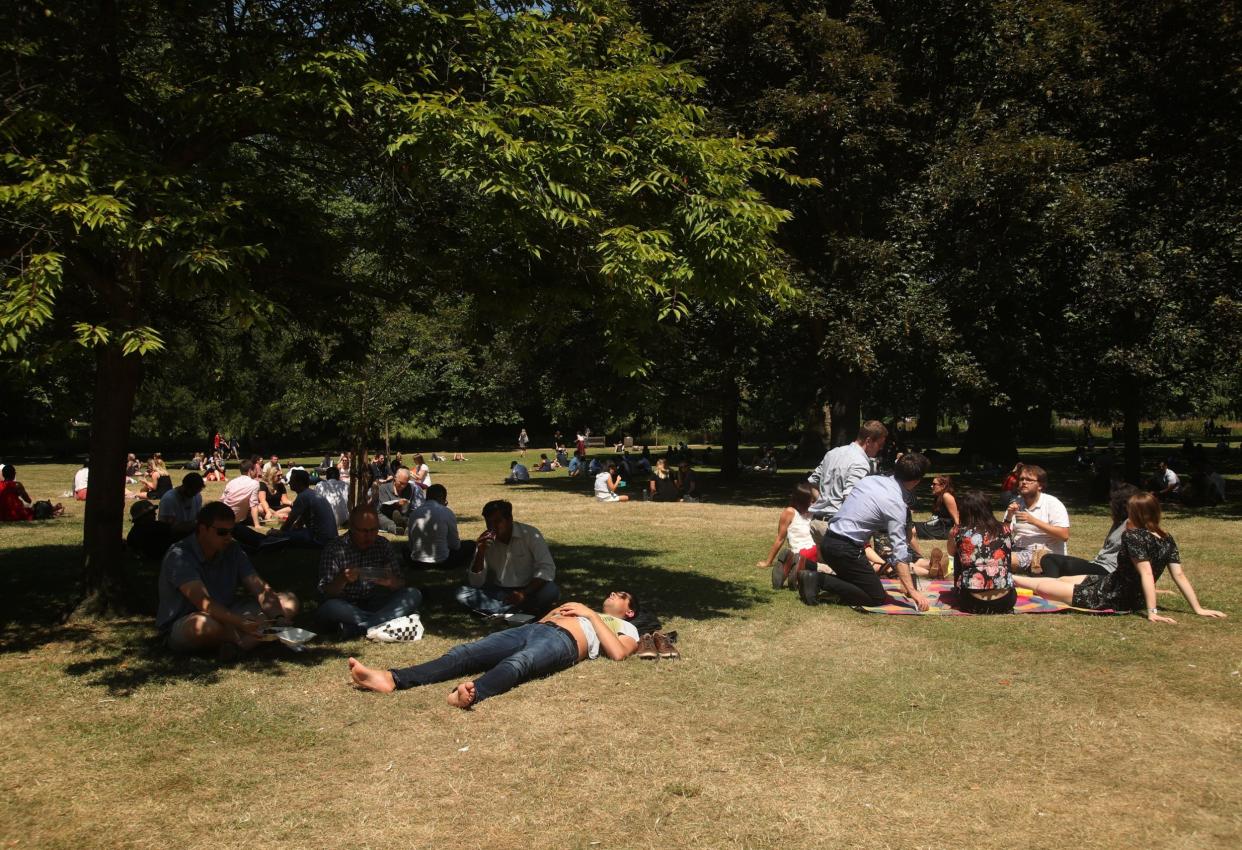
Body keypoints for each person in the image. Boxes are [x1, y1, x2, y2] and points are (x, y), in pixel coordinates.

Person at [348, 590, 639, 708]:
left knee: (520, 663)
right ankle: (392, 678)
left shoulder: (627, 628)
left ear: (629, 612)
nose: (614, 593)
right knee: (465, 652)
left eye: (622, 595)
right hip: (533, 628)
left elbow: (619, 653)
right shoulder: (581, 608)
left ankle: (470, 694)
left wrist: (588, 614)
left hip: (564, 642)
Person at [1015, 492, 1227, 624]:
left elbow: (1146, 573)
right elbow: (1179, 575)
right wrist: (1197, 608)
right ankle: (1008, 578)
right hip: (1113, 586)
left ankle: (1007, 578)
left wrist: (1152, 612)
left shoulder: (1133, 536)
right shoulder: (1166, 538)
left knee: (1043, 586)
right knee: (1060, 581)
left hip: (1110, 596)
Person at [155, 501, 300, 655]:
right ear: (203, 529)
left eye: (232, 531)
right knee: (204, 625)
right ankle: (248, 641)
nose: (228, 537)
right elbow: (204, 603)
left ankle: (240, 644)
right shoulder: (180, 555)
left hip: (229, 613)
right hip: (190, 619)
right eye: (222, 532)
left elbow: (259, 587)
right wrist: (241, 622)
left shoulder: (232, 549)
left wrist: (278, 617)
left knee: (289, 601)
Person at [799, 453, 933, 611]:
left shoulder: (870, 480)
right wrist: (912, 591)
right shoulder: (896, 504)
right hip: (846, 550)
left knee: (859, 582)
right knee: (875, 597)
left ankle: (811, 573)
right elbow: (899, 551)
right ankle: (817, 579)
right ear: (917, 480)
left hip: (828, 541)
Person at [316, 505, 423, 640]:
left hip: (377, 602)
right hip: (347, 605)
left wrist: (391, 582)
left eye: (374, 530)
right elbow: (325, 592)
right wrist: (342, 579)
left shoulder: (382, 544)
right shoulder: (335, 549)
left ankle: (359, 628)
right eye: (363, 531)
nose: (369, 536)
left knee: (413, 594)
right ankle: (385, 621)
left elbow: (400, 584)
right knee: (331, 608)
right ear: (351, 527)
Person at [456, 499, 560, 617]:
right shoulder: (485, 541)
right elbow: (476, 582)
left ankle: (503, 610)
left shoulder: (530, 534)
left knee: (551, 590)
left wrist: (523, 593)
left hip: (530, 588)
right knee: (462, 593)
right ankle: (518, 611)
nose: (492, 527)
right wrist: (480, 552)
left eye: (497, 522)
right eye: (488, 523)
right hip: (501, 591)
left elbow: (547, 569)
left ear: (509, 519)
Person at [806, 421, 888, 541]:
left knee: (822, 560)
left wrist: (823, 502)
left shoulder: (832, 453)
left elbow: (813, 482)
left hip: (816, 523)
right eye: (880, 444)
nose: (881, 449)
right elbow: (850, 498)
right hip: (837, 528)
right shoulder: (861, 462)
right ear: (869, 441)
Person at [1036, 484, 1140, 577]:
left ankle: (1050, 587)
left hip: (1108, 570)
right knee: (1049, 559)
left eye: (1112, 501)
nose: (1110, 504)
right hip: (1098, 564)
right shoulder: (1119, 522)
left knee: (1051, 560)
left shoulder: (1131, 523)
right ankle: (1051, 585)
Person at [945, 490, 1015, 614]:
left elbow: (951, 552)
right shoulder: (1005, 529)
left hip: (973, 603)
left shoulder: (958, 531)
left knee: (958, 554)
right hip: (1005, 601)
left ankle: (963, 587)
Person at [1004, 464, 1070, 573]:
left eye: (1029, 480)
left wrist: (1034, 521)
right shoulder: (1016, 503)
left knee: (1002, 560)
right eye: (1021, 479)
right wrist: (1009, 517)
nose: (1024, 482)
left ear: (1040, 485)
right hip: (1018, 549)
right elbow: (1003, 535)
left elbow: (1064, 535)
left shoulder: (1052, 504)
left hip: (1044, 553)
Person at [756, 482, 818, 588]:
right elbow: (780, 539)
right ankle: (796, 570)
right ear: (803, 500)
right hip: (805, 552)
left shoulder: (813, 513)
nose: (814, 504)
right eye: (812, 501)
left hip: (809, 552)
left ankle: (791, 569)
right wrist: (768, 562)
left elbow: (780, 538)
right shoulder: (790, 512)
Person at [407, 483, 475, 569]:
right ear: (442, 498)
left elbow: (410, 545)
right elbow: (455, 545)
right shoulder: (446, 512)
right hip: (443, 561)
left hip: (417, 562)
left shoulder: (414, 513)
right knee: (471, 545)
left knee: (404, 549)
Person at [277, 469, 338, 547]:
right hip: (331, 537)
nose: (289, 482)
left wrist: (279, 533)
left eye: (292, 480)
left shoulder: (302, 497)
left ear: (300, 482)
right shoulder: (311, 493)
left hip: (320, 540)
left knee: (281, 536)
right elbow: (300, 522)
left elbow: (289, 522)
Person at [157, 472, 206, 538]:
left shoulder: (197, 496)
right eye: (193, 491)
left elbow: (198, 517)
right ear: (185, 486)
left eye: (198, 491)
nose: (195, 493)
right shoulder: (169, 499)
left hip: (190, 535)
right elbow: (168, 528)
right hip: (173, 538)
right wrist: (194, 524)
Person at [912, 475, 959, 541]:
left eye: (934, 484)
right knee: (910, 525)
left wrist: (956, 531)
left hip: (943, 529)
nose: (931, 486)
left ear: (943, 486)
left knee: (912, 530)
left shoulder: (946, 496)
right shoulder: (939, 496)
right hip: (936, 525)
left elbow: (956, 517)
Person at [221, 459, 263, 528]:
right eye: (255, 470)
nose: (256, 472)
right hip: (235, 519)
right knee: (259, 508)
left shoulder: (232, 482)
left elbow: (222, 499)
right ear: (250, 471)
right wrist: (257, 525)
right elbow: (253, 505)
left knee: (260, 508)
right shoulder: (254, 484)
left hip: (223, 515)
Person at [375, 466, 418, 533]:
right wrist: (396, 503)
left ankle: (404, 525)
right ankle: (397, 529)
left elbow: (409, 508)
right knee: (382, 519)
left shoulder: (410, 488)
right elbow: (383, 507)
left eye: (405, 484)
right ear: (395, 478)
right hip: (386, 514)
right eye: (401, 483)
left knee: (407, 515)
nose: (403, 486)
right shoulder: (383, 488)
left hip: (402, 514)